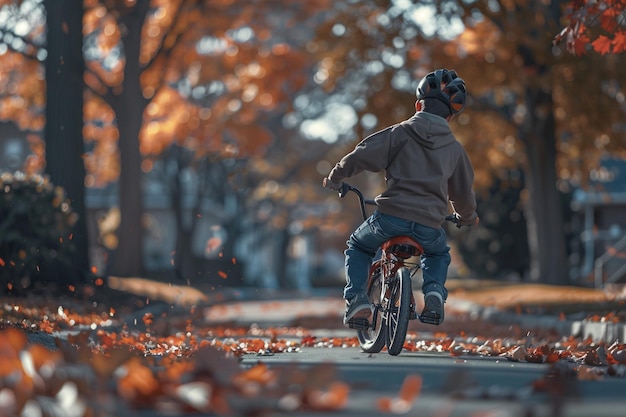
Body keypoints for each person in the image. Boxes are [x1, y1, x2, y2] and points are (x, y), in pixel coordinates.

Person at [323, 68, 478, 328]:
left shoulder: (399, 133)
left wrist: (336, 177)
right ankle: (434, 293)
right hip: (429, 224)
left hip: (390, 219)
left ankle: (358, 299)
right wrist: (467, 217)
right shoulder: (455, 150)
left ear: (418, 105)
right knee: (438, 254)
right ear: (451, 117)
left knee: (358, 247)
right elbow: (462, 192)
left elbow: (361, 155)